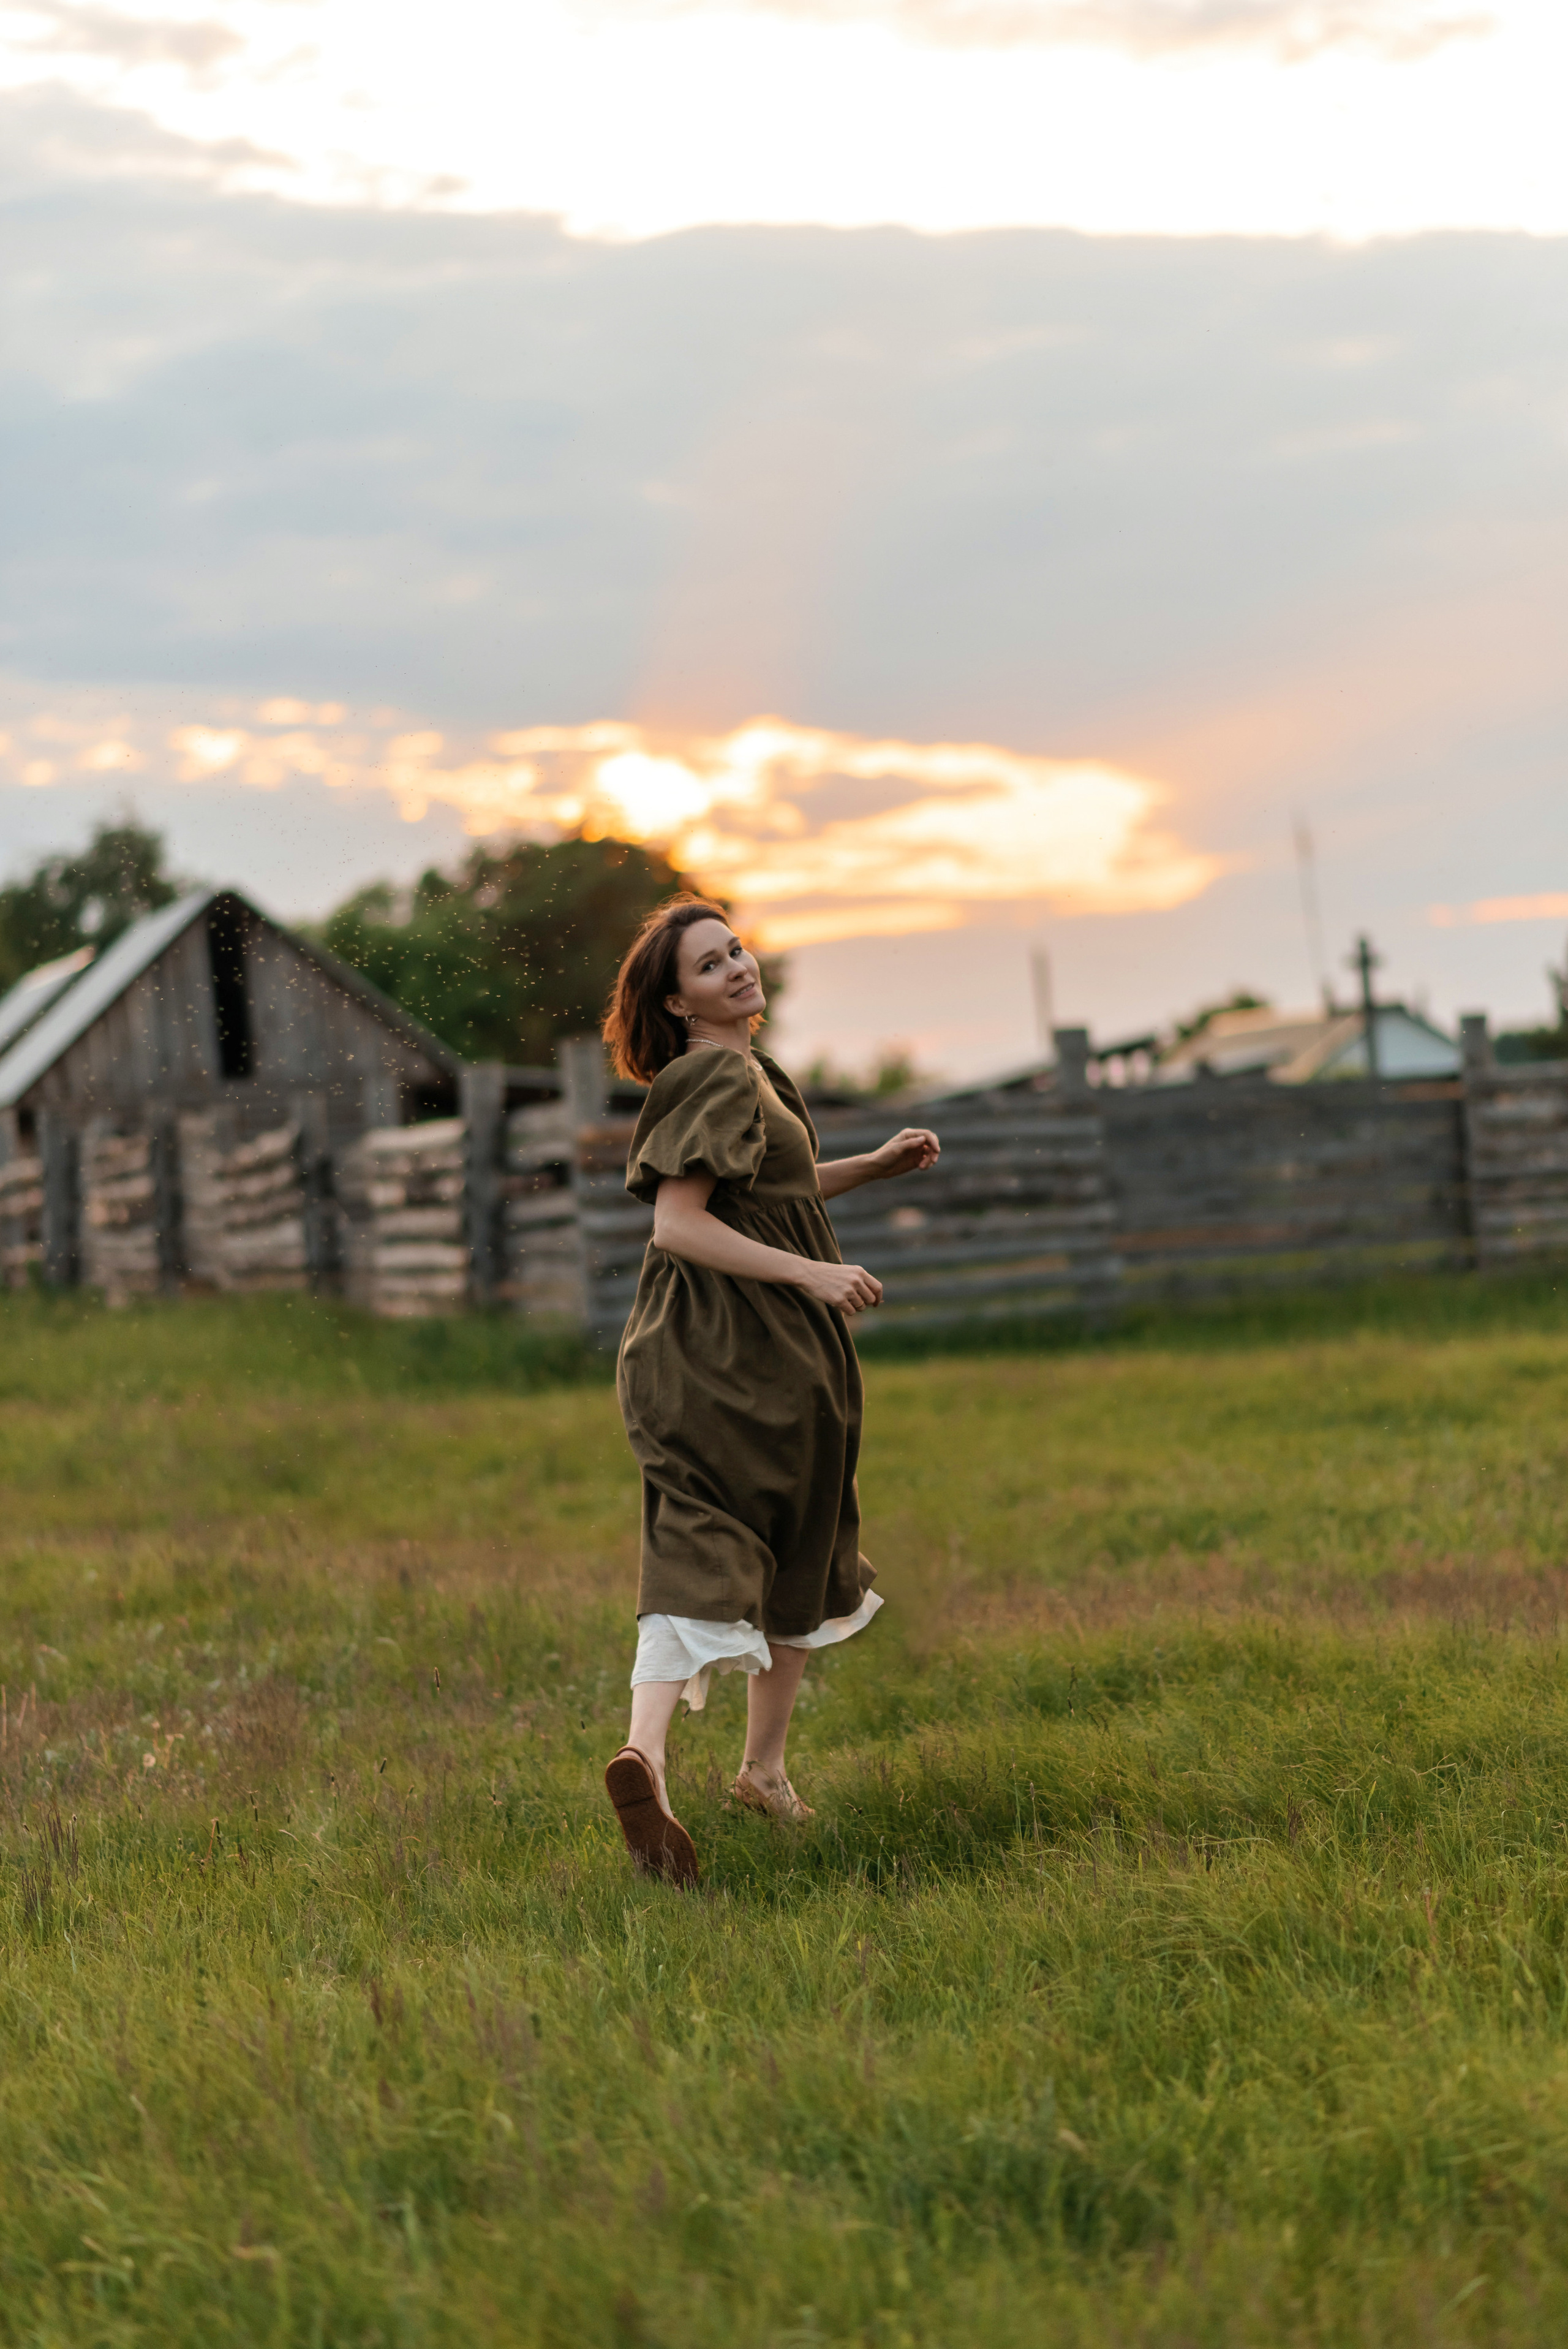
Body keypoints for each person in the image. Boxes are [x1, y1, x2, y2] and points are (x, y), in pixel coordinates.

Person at [599, 895, 940, 1886]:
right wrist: (815, 1275)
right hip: (718, 1350)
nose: (738, 968)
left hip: (769, 1357)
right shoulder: (711, 1070)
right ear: (678, 999)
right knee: (720, 1533)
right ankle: (665, 1763)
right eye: (710, 965)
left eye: (736, 949)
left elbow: (768, 1193)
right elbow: (679, 1223)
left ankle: (735, 1771)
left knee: (782, 1538)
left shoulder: (748, 1072)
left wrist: (872, 1166)